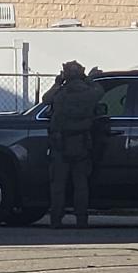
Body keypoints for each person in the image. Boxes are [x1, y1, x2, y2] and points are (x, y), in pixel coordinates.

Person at [39, 61, 103, 228]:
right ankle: (81, 219)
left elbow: (45, 100)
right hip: (82, 143)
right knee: (81, 184)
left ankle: (56, 220)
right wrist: (88, 78)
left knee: (58, 184)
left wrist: (57, 82)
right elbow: (100, 91)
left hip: (60, 143)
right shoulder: (90, 93)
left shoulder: (60, 93)